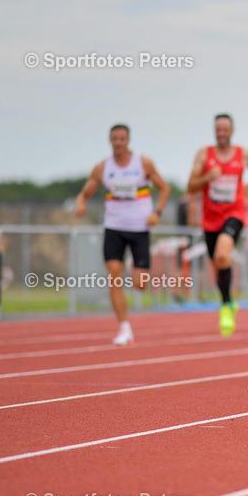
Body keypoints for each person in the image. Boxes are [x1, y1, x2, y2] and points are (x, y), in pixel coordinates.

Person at [75, 124, 170, 344]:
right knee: (114, 277)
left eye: (122, 139)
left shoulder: (143, 163)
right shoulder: (102, 167)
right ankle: (124, 327)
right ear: (110, 141)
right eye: (114, 139)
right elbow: (86, 192)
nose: (118, 142)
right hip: (114, 227)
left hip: (139, 228)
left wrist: (157, 213)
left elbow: (164, 188)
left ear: (128, 140)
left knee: (140, 284)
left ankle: (133, 267)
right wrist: (81, 204)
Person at [187, 114, 248, 336]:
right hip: (210, 218)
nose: (222, 133)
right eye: (218, 130)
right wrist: (207, 177)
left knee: (223, 256)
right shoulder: (203, 155)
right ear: (214, 131)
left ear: (232, 130)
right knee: (218, 262)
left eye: (225, 129)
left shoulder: (244, 154)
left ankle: (225, 307)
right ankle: (228, 302)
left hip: (234, 213)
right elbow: (190, 186)